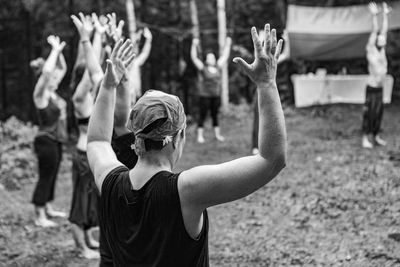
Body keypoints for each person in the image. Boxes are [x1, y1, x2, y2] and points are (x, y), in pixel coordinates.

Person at [87, 23, 286, 266]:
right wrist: (267, 84)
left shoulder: (109, 182)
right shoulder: (187, 191)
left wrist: (108, 86)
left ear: (137, 134)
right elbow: (271, 160)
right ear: (178, 137)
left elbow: (97, 140)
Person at [70, 12, 107, 259]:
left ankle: (88, 240)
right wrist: (90, 37)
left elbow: (94, 67)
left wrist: (99, 37)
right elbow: (87, 72)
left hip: (91, 158)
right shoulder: (80, 99)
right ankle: (81, 248)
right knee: (79, 205)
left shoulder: (92, 98)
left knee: (91, 202)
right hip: (83, 156)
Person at [31, 35, 68, 227]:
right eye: (51, 77)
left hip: (56, 140)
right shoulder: (41, 95)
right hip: (45, 140)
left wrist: (59, 52)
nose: (55, 78)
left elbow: (62, 68)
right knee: (46, 176)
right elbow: (47, 73)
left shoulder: (52, 91)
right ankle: (39, 215)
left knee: (52, 174)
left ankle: (48, 207)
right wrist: (53, 50)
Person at [252, 29, 290, 155]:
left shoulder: (274, 61)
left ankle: (270, 145)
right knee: (258, 118)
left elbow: (287, 54)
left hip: (272, 92)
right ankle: (255, 146)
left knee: (272, 118)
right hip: (259, 92)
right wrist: (261, 38)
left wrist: (287, 39)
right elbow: (257, 52)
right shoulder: (260, 59)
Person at [191, 36, 232, 143]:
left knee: (215, 115)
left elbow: (225, 56)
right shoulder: (203, 68)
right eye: (209, 58)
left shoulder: (218, 67)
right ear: (206, 59)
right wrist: (194, 45)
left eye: (212, 57)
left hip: (216, 96)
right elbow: (194, 58)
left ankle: (217, 135)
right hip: (204, 96)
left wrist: (228, 44)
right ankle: (200, 136)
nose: (211, 59)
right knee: (203, 115)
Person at [362, 1, 391, 148]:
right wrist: (375, 17)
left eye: (383, 37)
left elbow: (383, 30)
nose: (382, 37)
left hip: (380, 88)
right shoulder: (371, 49)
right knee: (370, 113)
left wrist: (385, 16)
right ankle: (365, 138)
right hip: (372, 88)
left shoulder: (382, 50)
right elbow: (375, 30)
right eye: (380, 37)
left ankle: (376, 135)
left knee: (379, 113)